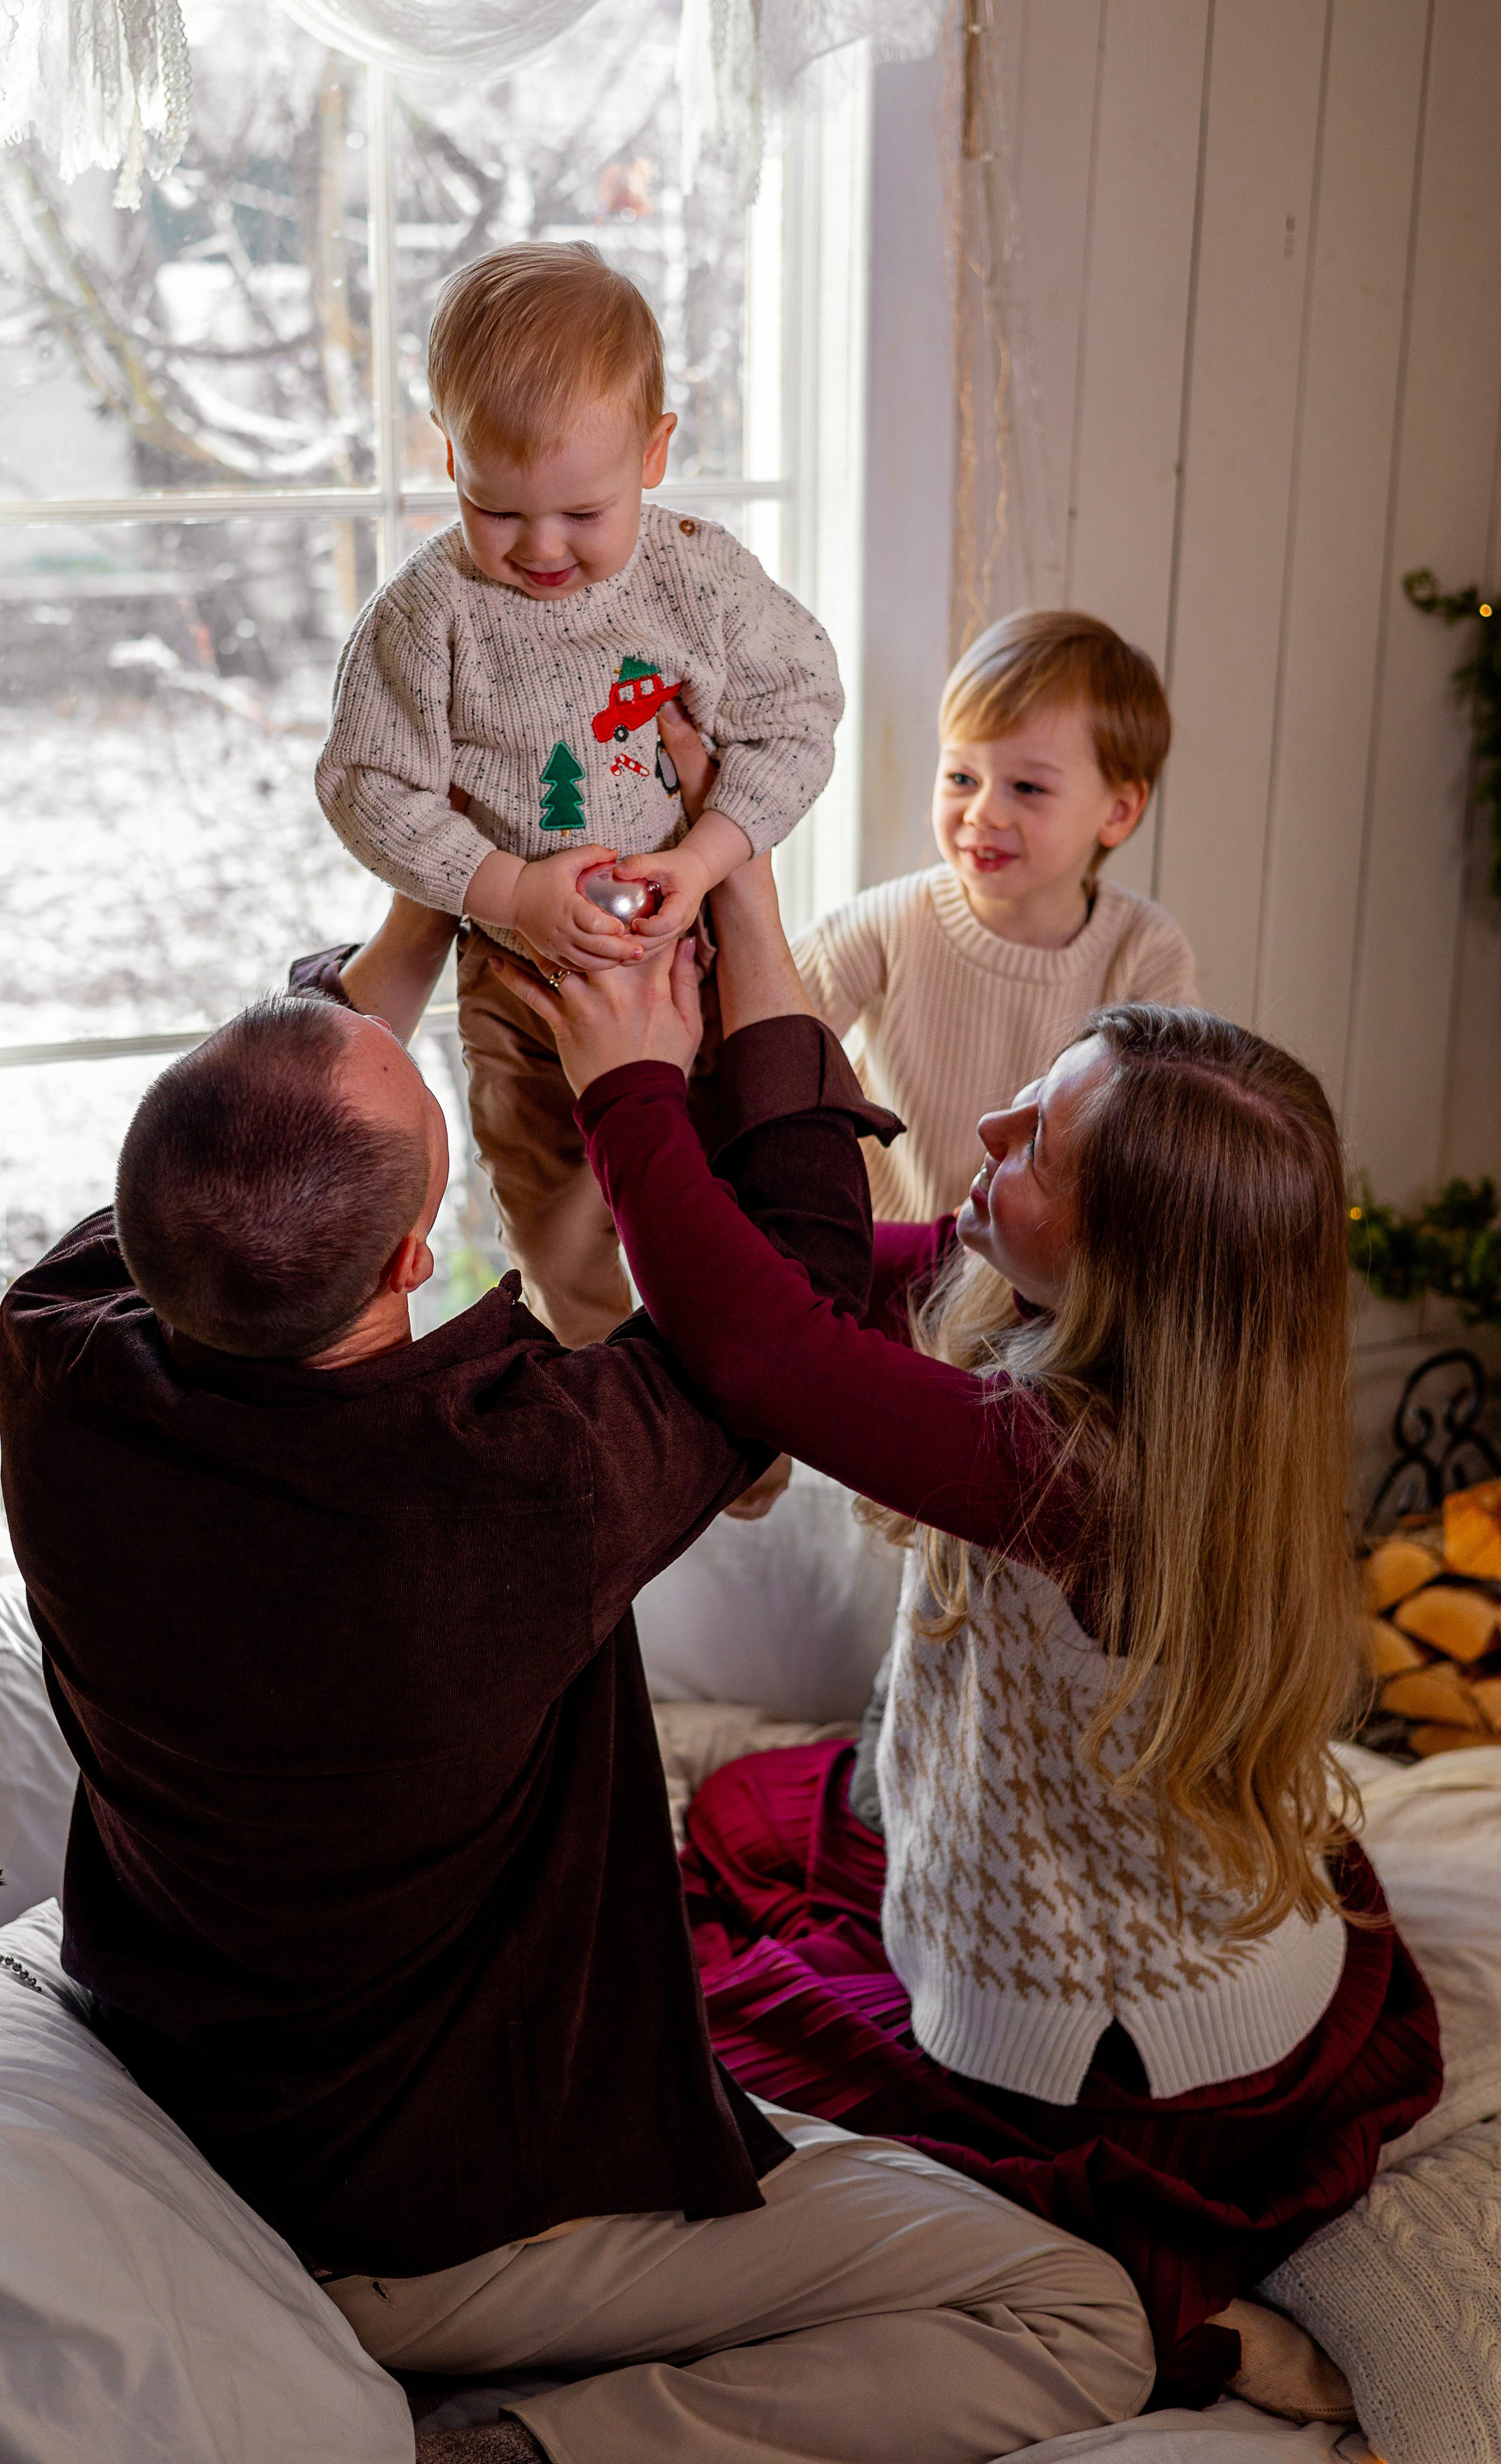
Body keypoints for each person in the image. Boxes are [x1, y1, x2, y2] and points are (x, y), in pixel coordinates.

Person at [0, 874, 1155, 2464]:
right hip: (430, 2224)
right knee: (1078, 2312)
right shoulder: (512, 1482)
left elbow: (244, 1138)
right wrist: (662, 1014)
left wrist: (429, 897)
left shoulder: (56, 1356)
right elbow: (787, 1302)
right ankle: (532, 2448)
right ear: (414, 1256)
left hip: (196, 2107)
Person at [495, 881, 1442, 2422]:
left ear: (1129, 1266)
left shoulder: (1080, 1470)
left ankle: (1163, 2314)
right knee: (756, 1825)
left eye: (1032, 1144)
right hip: (1099, 1869)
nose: (984, 1124)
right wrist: (735, 907)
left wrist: (626, 1089)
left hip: (1116, 2054)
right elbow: (812, 1268)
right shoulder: (1147, 1352)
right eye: (1028, 1094)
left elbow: (762, 1348)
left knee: (677, 2043)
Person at [313, 239, 842, 1349]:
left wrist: (705, 861)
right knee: (558, 1225)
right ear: (450, 457)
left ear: (655, 455)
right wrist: (503, 886)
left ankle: (733, 1418)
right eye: (498, 511)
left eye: (582, 515)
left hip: (689, 958)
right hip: (521, 982)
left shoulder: (698, 580)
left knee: (731, 1205)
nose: (541, 548)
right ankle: (611, 1389)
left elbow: (799, 711)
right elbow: (366, 782)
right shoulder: (430, 614)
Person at [793, 609, 1197, 1225]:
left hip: (1042, 1279)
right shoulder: (885, 925)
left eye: (1027, 788)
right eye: (961, 776)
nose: (982, 812)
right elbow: (767, 1045)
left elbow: (1167, 1142)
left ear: (1117, 809)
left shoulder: (1145, 952)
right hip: (883, 1258)